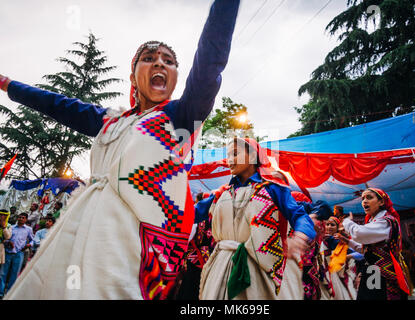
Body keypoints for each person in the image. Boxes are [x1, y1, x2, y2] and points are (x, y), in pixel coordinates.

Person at [1, 0, 240, 300]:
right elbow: (57, 104)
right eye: (149, 58)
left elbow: (210, 62)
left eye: (168, 61)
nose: (159, 63)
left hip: (132, 252)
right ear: (133, 77)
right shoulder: (109, 121)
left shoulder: (182, 117)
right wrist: (9, 85)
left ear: (177, 77)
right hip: (76, 237)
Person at [197, 137, 316, 300]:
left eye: (235, 154)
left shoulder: (273, 189)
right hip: (221, 266)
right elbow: (192, 214)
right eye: (228, 155)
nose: (229, 160)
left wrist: (300, 237)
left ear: (253, 157)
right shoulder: (221, 193)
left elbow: (299, 215)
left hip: (256, 267)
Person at [342, 188, 412, 300]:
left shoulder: (386, 221)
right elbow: (366, 249)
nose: (364, 201)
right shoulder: (374, 222)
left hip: (381, 273)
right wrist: (347, 241)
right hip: (374, 271)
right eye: (363, 198)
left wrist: (346, 221)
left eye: (369, 197)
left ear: (381, 202)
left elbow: (358, 233)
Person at [0, 213, 33, 298]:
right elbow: (5, 238)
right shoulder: (11, 227)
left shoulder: (28, 229)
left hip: (19, 253)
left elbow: (33, 240)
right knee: (3, 273)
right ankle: (1, 292)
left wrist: (28, 245)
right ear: (17, 218)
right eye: (19, 217)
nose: (21, 219)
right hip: (8, 252)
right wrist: (8, 242)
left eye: (23, 218)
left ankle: (9, 293)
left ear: (26, 219)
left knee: (14, 274)